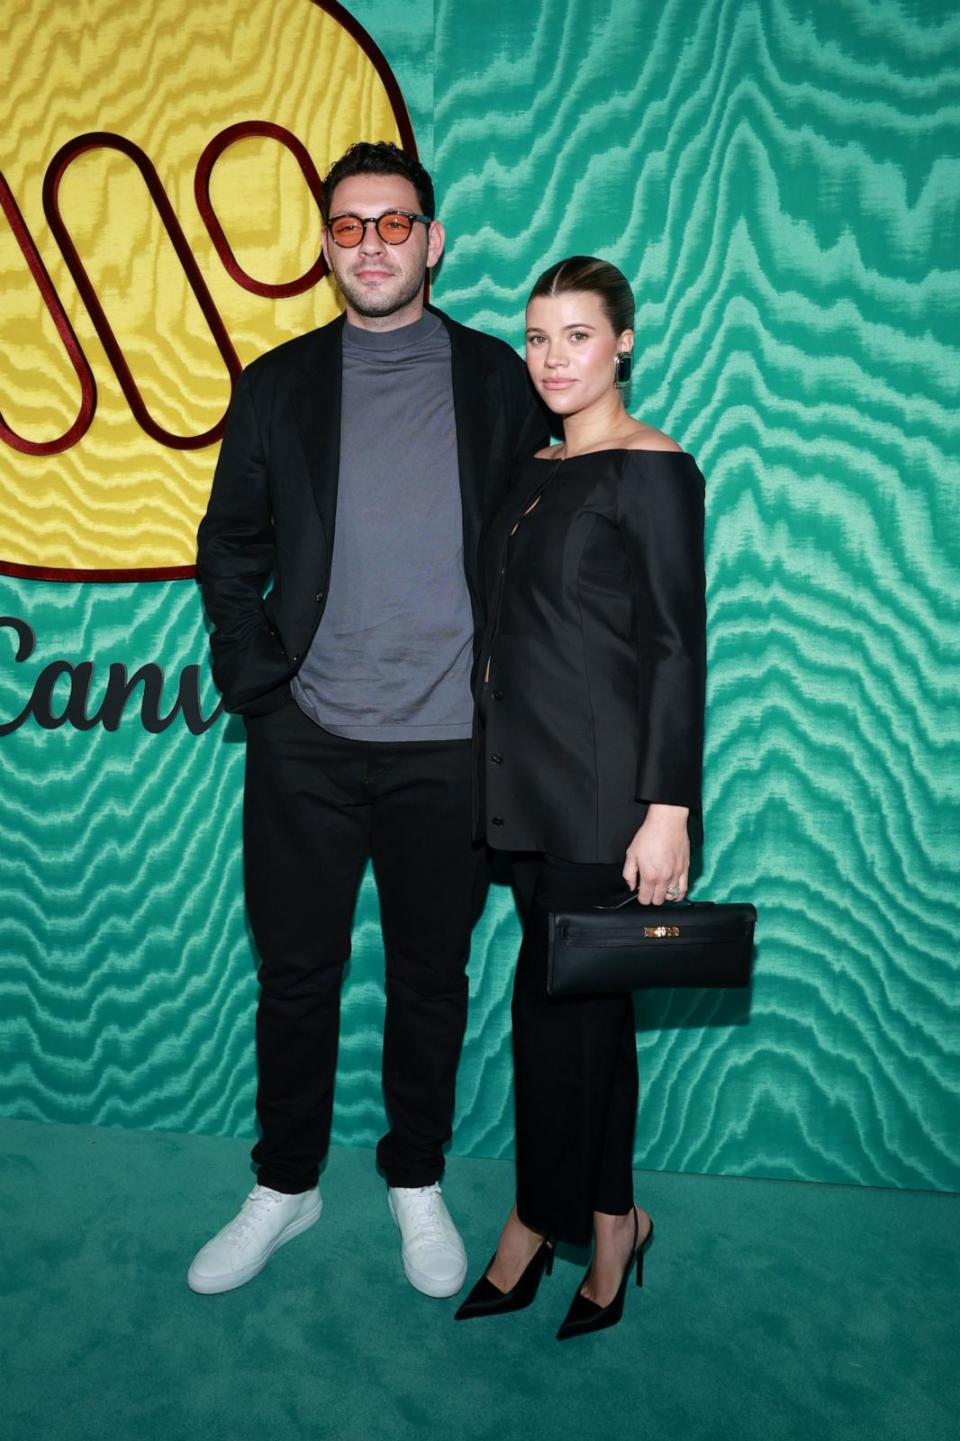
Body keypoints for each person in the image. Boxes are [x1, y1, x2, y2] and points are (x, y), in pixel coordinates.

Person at [191, 141, 547, 1299]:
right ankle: (285, 1186)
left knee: (429, 979)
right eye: (350, 227)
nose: (373, 245)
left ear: (432, 242)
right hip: (308, 744)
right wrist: (260, 688)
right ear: (327, 244)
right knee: (294, 975)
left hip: (451, 744)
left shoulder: (500, 378)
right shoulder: (280, 382)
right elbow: (229, 547)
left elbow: (549, 551)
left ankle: (415, 1179)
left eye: (395, 225)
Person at [455, 256, 706, 1339]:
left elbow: (674, 652)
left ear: (625, 346)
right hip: (523, 790)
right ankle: (615, 1226)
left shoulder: (653, 469)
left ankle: (532, 1225)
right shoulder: (536, 467)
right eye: (538, 339)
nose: (554, 359)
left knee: (554, 1018)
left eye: (578, 337)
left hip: (609, 805)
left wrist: (668, 807)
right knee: (594, 1017)